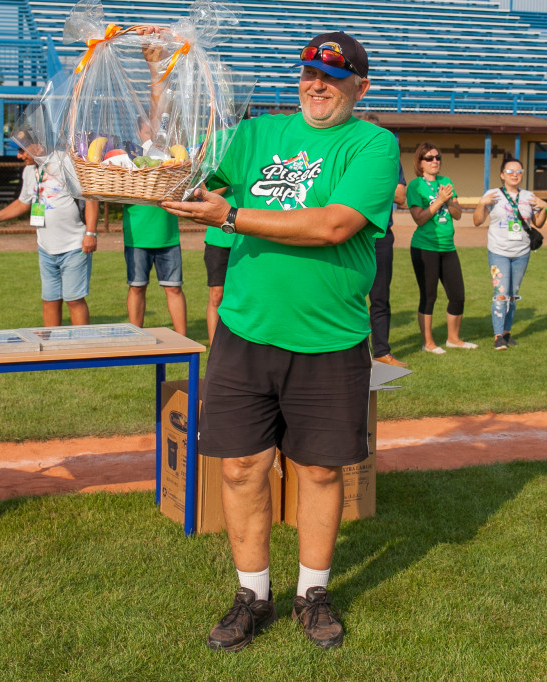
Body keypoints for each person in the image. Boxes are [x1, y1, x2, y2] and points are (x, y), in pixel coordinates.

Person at [162, 31, 399, 651]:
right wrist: (168, 86)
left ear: (360, 86)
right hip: (246, 330)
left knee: (320, 470)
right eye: (308, 72)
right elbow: (179, 166)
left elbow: (334, 225)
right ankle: (254, 592)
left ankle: (312, 590)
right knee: (241, 467)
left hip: (330, 338)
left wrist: (232, 217)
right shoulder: (257, 135)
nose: (317, 84)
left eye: (334, 75)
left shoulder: (374, 143)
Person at [0, 144, 98, 326]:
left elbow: (90, 198)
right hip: (45, 248)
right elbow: (24, 202)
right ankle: (52, 347)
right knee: (49, 299)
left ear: (37, 145)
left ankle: (81, 348)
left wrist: (91, 233)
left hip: (74, 246)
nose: (19, 156)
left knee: (74, 299)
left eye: (22, 150)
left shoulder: (64, 162)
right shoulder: (29, 171)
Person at [473, 157, 547, 351]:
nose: (515, 175)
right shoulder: (493, 194)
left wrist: (543, 207)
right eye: (510, 171)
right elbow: (477, 221)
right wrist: (482, 203)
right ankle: (498, 336)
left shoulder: (529, 197)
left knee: (513, 294)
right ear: (502, 175)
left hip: (522, 252)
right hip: (499, 251)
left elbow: (538, 223)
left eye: (519, 171)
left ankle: (507, 332)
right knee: (501, 293)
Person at [406, 142, 474, 354]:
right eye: (429, 158)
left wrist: (450, 201)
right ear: (420, 163)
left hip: (448, 247)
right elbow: (419, 219)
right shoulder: (415, 186)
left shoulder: (446, 182)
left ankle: (453, 339)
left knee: (458, 295)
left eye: (437, 157)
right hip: (424, 247)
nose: (435, 161)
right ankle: (428, 343)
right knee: (429, 296)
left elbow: (458, 214)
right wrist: (439, 201)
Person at [364, 113, 408, 368]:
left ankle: (381, 351)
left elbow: (401, 196)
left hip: (381, 236)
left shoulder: (390, 158)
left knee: (380, 297)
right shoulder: (349, 155)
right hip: (350, 237)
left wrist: (367, 187)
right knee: (348, 296)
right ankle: (352, 353)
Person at [122, 204, 187, 335]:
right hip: (136, 237)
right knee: (137, 287)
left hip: (168, 236)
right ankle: (136, 337)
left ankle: (183, 339)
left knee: (174, 288)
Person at [203, 190, 236, 344]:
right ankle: (214, 347)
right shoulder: (218, 166)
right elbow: (204, 193)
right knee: (216, 295)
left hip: (249, 239)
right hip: (218, 239)